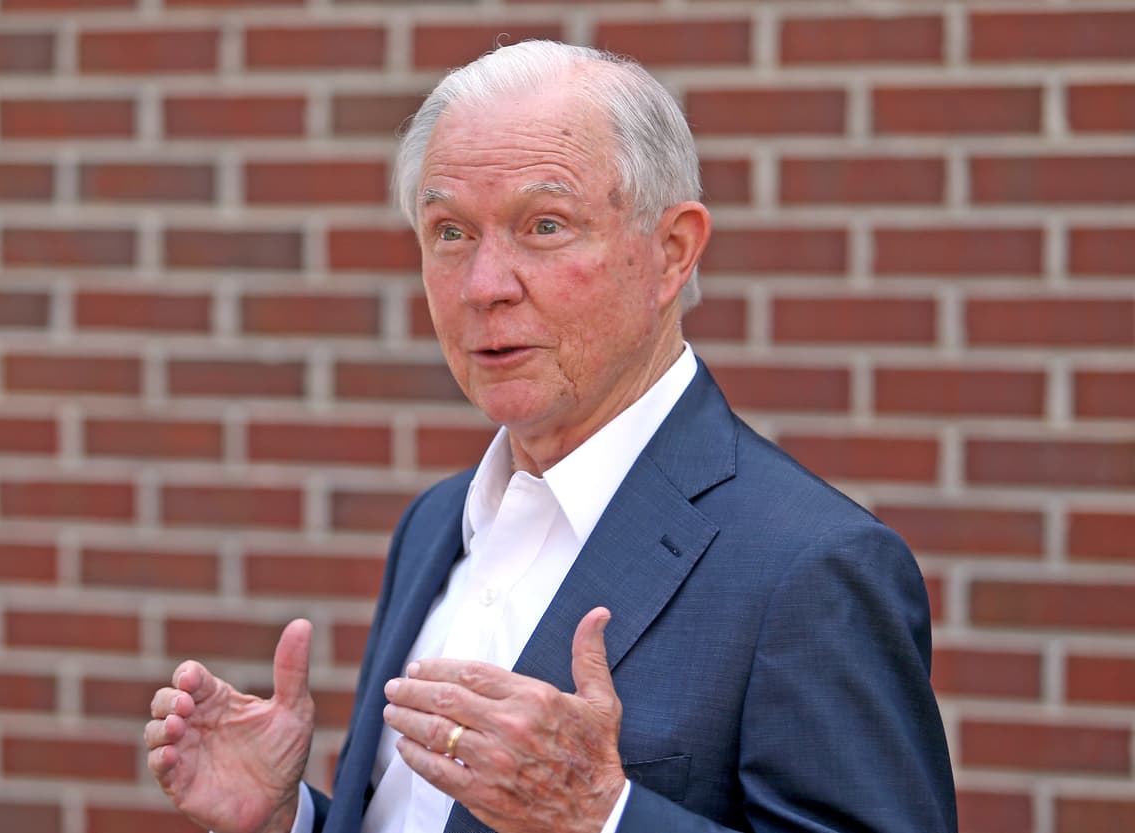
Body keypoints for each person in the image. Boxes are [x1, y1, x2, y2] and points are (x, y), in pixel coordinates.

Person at [145, 41, 958, 833]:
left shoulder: (812, 566)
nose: (486, 286)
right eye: (451, 233)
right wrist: (291, 819)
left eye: (544, 225)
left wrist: (603, 816)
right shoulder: (435, 524)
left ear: (672, 252)